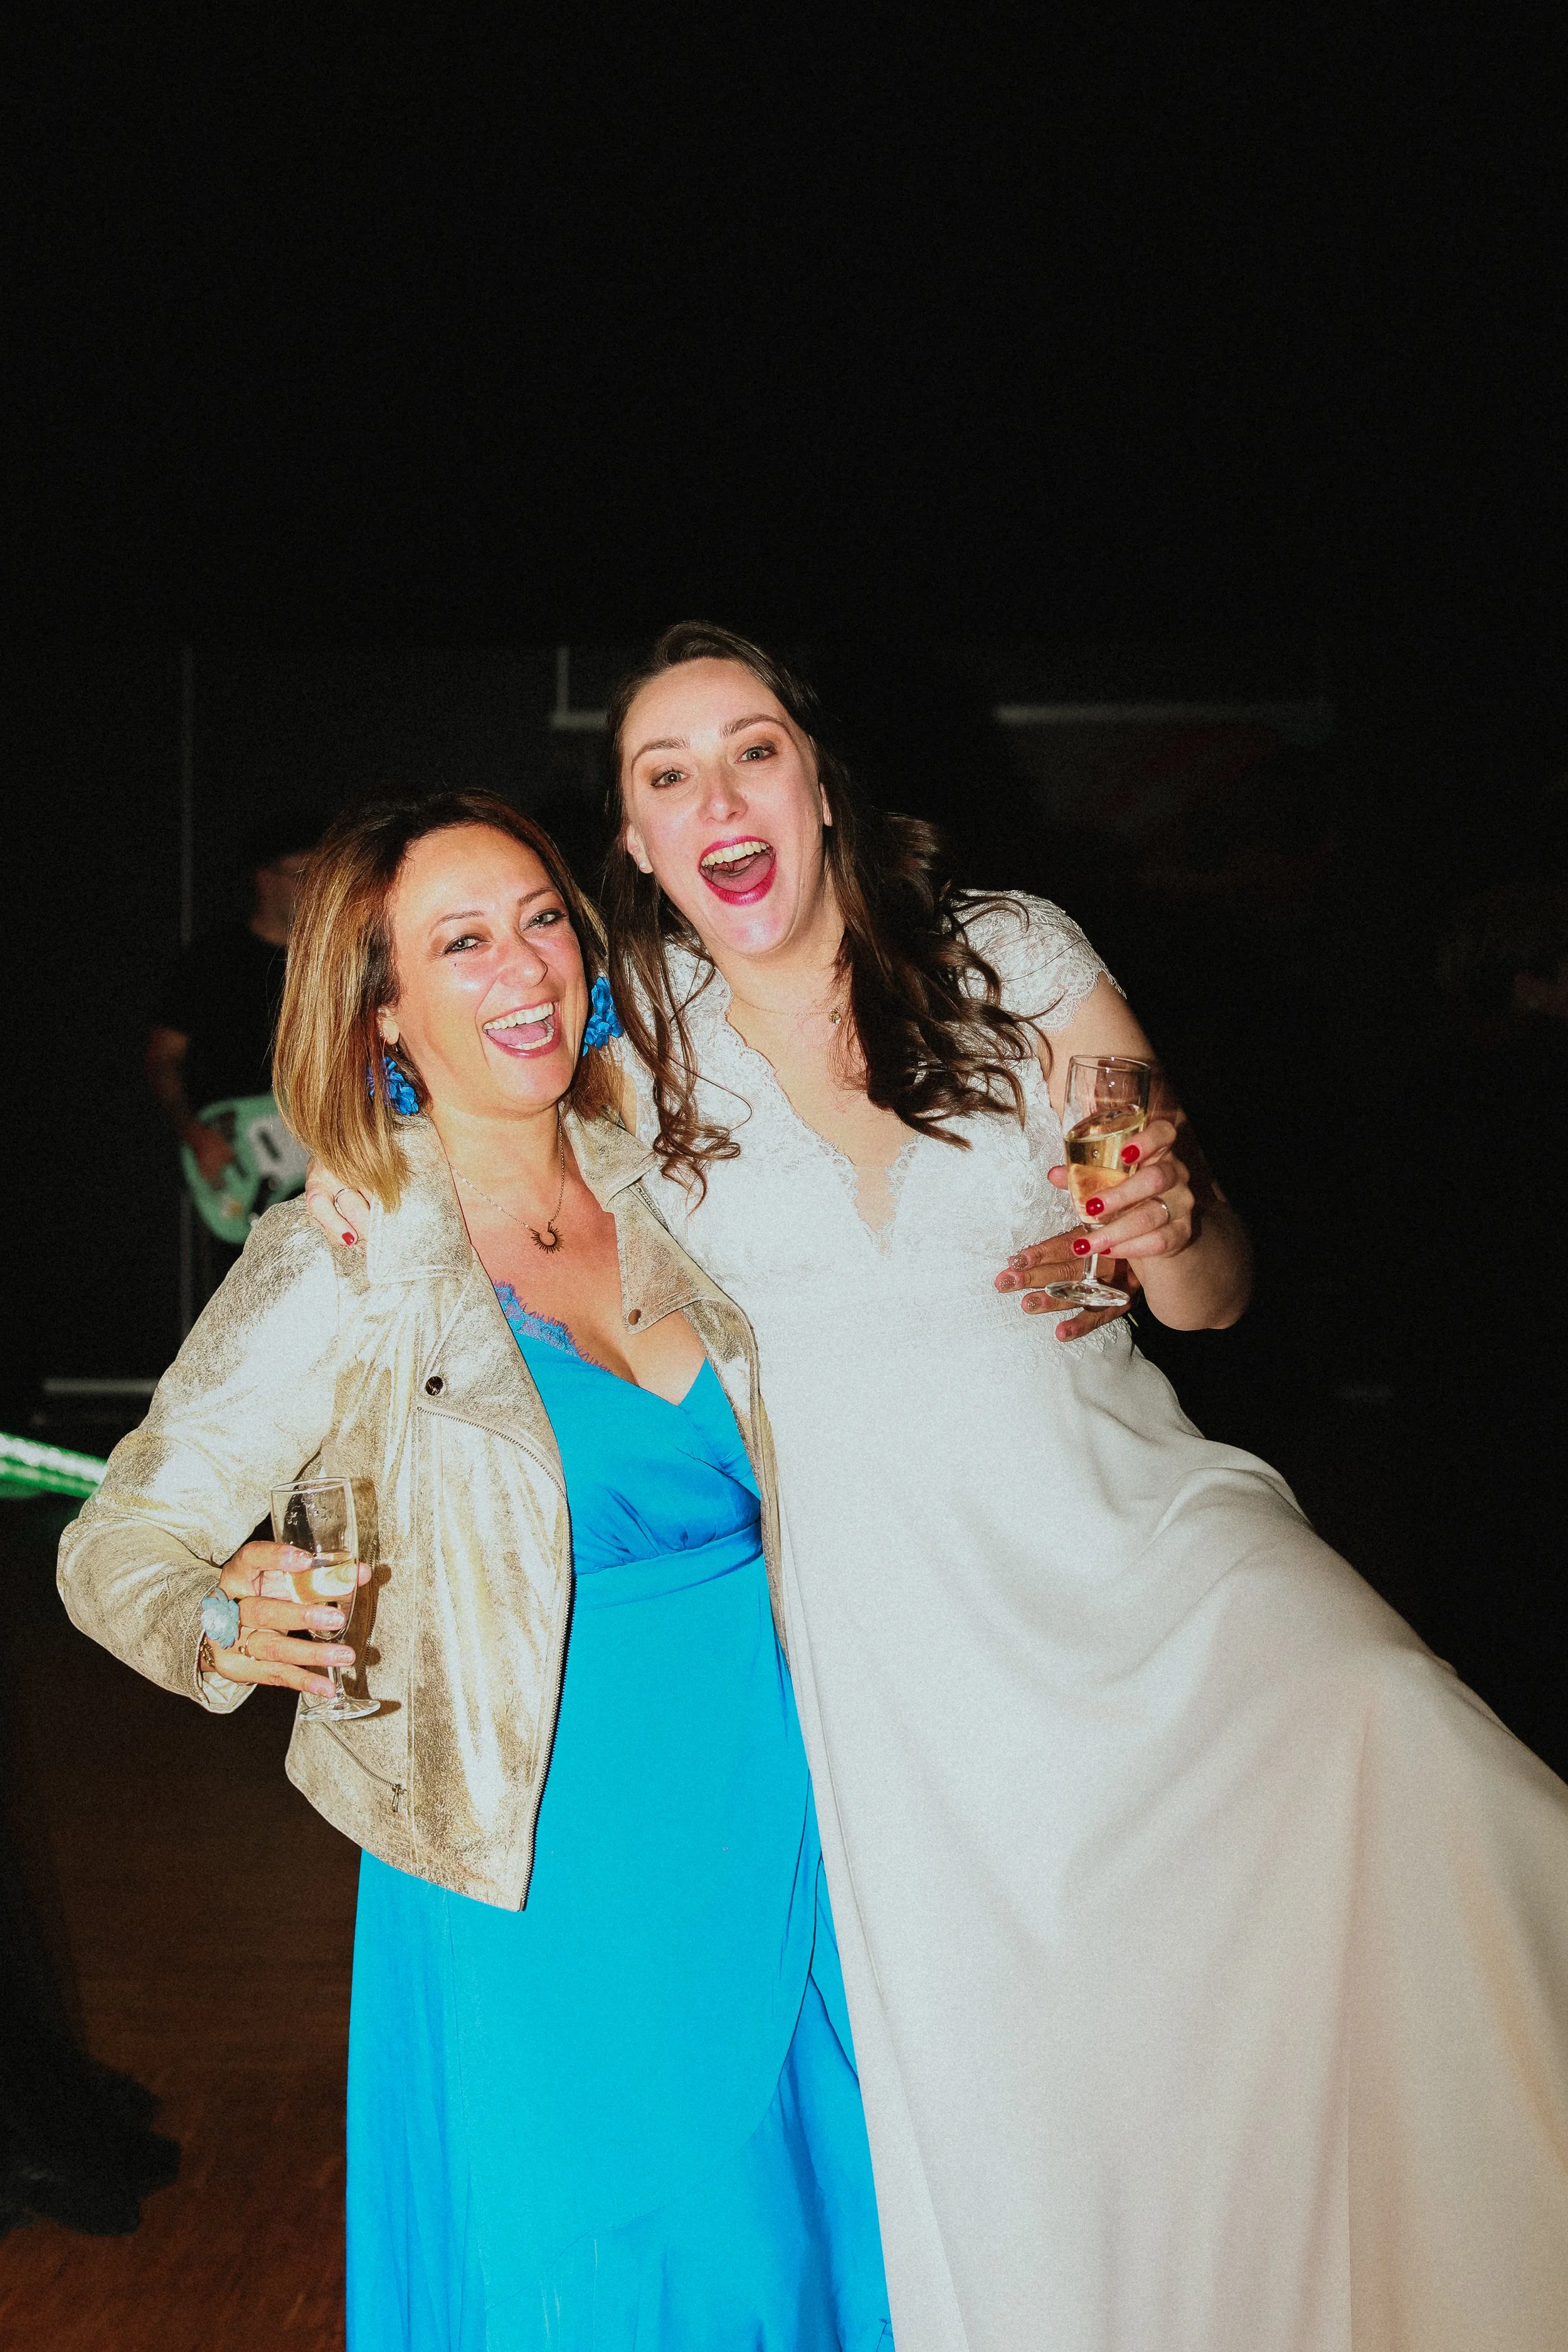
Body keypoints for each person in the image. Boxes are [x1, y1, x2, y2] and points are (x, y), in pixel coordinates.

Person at [304, 627, 1568, 2352]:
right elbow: (455, 1110)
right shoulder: (630, 1039)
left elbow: (1207, 1292)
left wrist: (1174, 1222)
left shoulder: (1016, 954)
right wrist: (342, 1216)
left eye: (751, 749)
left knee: (1396, 1728)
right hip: (880, 1615)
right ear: (638, 842)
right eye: (666, 774)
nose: (717, 795)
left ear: (818, 782)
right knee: (1017, 2076)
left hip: (1132, 1529)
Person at [62, 791, 894, 2350]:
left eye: (541, 919)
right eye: (460, 941)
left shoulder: (693, 1180)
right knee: (612, 2278)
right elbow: (119, 1544)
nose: (523, 966)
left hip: (785, 1803)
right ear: (383, 1008)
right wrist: (223, 1618)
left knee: (813, 2244)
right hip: (536, 1847)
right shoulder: (347, 1255)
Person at [146, 814, 320, 1291]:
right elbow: (162, 1060)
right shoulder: (209, 961)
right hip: (242, 1154)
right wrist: (194, 1134)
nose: (314, 887)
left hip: (319, 1152)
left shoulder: (328, 961)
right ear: (264, 878)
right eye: (302, 874)